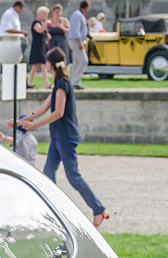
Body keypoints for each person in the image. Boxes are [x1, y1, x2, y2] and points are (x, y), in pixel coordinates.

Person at [17, 46, 109, 227]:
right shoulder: (58, 84)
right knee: (48, 174)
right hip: (58, 137)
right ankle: (53, 213)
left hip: (65, 137)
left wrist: (33, 125)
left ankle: (98, 209)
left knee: (73, 175)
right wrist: (20, 121)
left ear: (51, 65)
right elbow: (42, 109)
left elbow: (58, 112)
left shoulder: (62, 84)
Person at [68, 0, 91, 88]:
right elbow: (76, 30)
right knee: (84, 61)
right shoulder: (78, 15)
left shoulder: (78, 15)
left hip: (76, 40)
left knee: (76, 62)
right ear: (87, 7)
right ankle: (76, 81)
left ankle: (73, 81)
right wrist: (80, 42)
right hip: (76, 40)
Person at [27, 7, 50, 90]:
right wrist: (46, 25)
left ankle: (33, 82)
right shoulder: (36, 23)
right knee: (38, 65)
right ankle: (32, 82)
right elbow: (39, 30)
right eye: (44, 13)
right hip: (37, 46)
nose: (46, 15)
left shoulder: (41, 23)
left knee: (41, 65)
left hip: (42, 46)